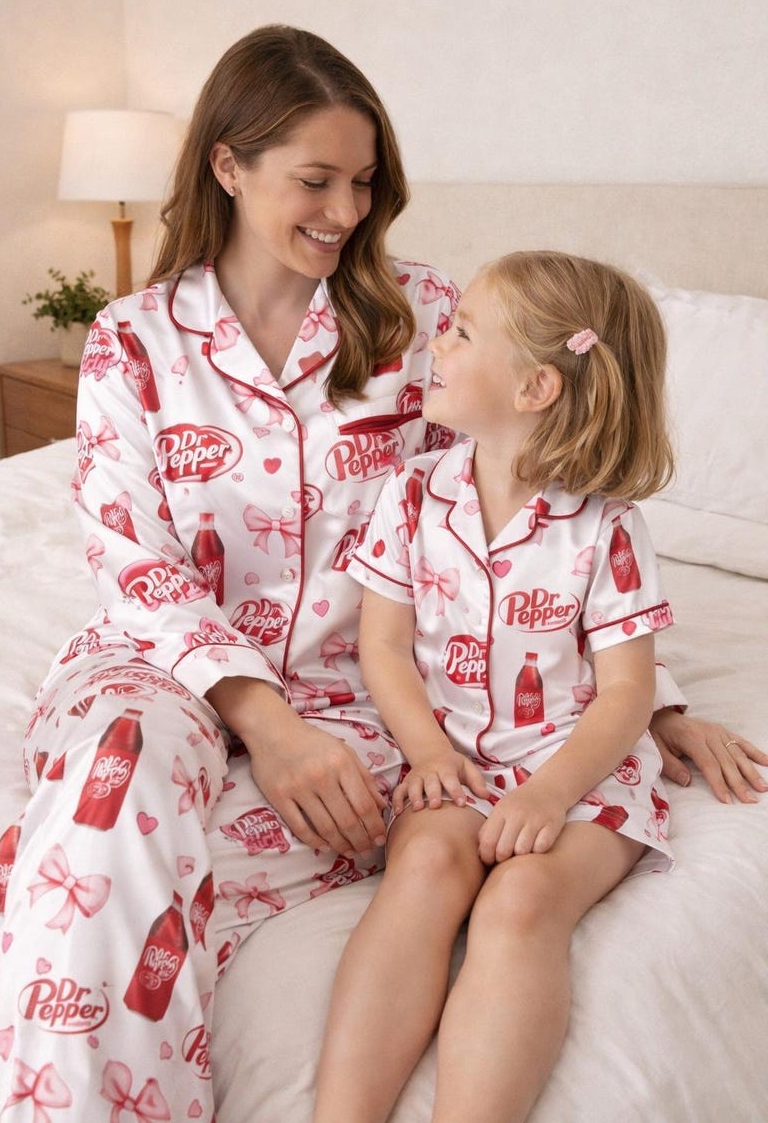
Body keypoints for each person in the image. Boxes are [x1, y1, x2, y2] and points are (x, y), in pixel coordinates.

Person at [0, 27, 764, 1121]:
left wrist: (649, 703)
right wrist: (266, 723)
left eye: (363, 182)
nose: (344, 211)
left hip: (384, 697)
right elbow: (131, 556)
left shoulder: (425, 316)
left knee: (103, 888)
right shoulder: (133, 338)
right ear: (227, 165)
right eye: (315, 180)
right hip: (167, 667)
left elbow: (524, 522)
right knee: (115, 779)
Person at [312, 251, 763, 1123]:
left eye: (462, 332)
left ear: (535, 388)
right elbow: (385, 646)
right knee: (425, 867)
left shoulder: (609, 529)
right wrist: (428, 752)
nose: (437, 344)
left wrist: (550, 795)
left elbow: (625, 693)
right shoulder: (411, 495)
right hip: (456, 758)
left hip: (579, 775)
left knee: (520, 904)